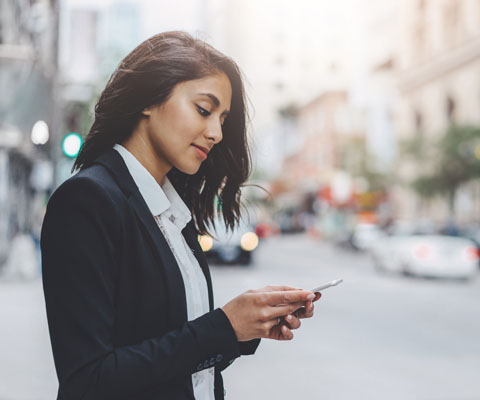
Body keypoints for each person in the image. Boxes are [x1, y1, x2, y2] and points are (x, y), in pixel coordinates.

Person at [41, 31, 320, 400]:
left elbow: (171, 356)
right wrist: (223, 327)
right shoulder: (87, 201)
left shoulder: (173, 213)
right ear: (148, 99)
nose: (217, 132)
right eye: (204, 110)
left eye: (222, 118)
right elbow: (88, 379)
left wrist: (246, 327)